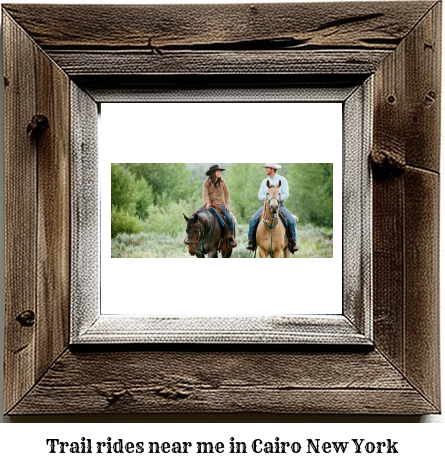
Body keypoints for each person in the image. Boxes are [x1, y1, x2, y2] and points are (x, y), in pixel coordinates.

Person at [246, 163, 298, 253]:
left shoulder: (283, 180)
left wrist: (276, 200)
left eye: (267, 168)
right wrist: (268, 199)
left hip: (280, 205)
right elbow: (260, 195)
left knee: (291, 221)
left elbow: (286, 194)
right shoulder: (264, 182)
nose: (265, 169)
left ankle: (293, 242)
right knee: (252, 220)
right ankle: (251, 242)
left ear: (272, 169)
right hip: (266, 206)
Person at [198, 164, 236, 248]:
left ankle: (230, 238)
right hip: (209, 204)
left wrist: (227, 205)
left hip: (220, 205)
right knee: (195, 216)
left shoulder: (223, 182)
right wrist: (207, 203)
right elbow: (205, 194)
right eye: (218, 171)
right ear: (213, 173)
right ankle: (197, 241)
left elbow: (227, 194)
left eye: (220, 171)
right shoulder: (206, 183)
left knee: (229, 219)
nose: (220, 172)